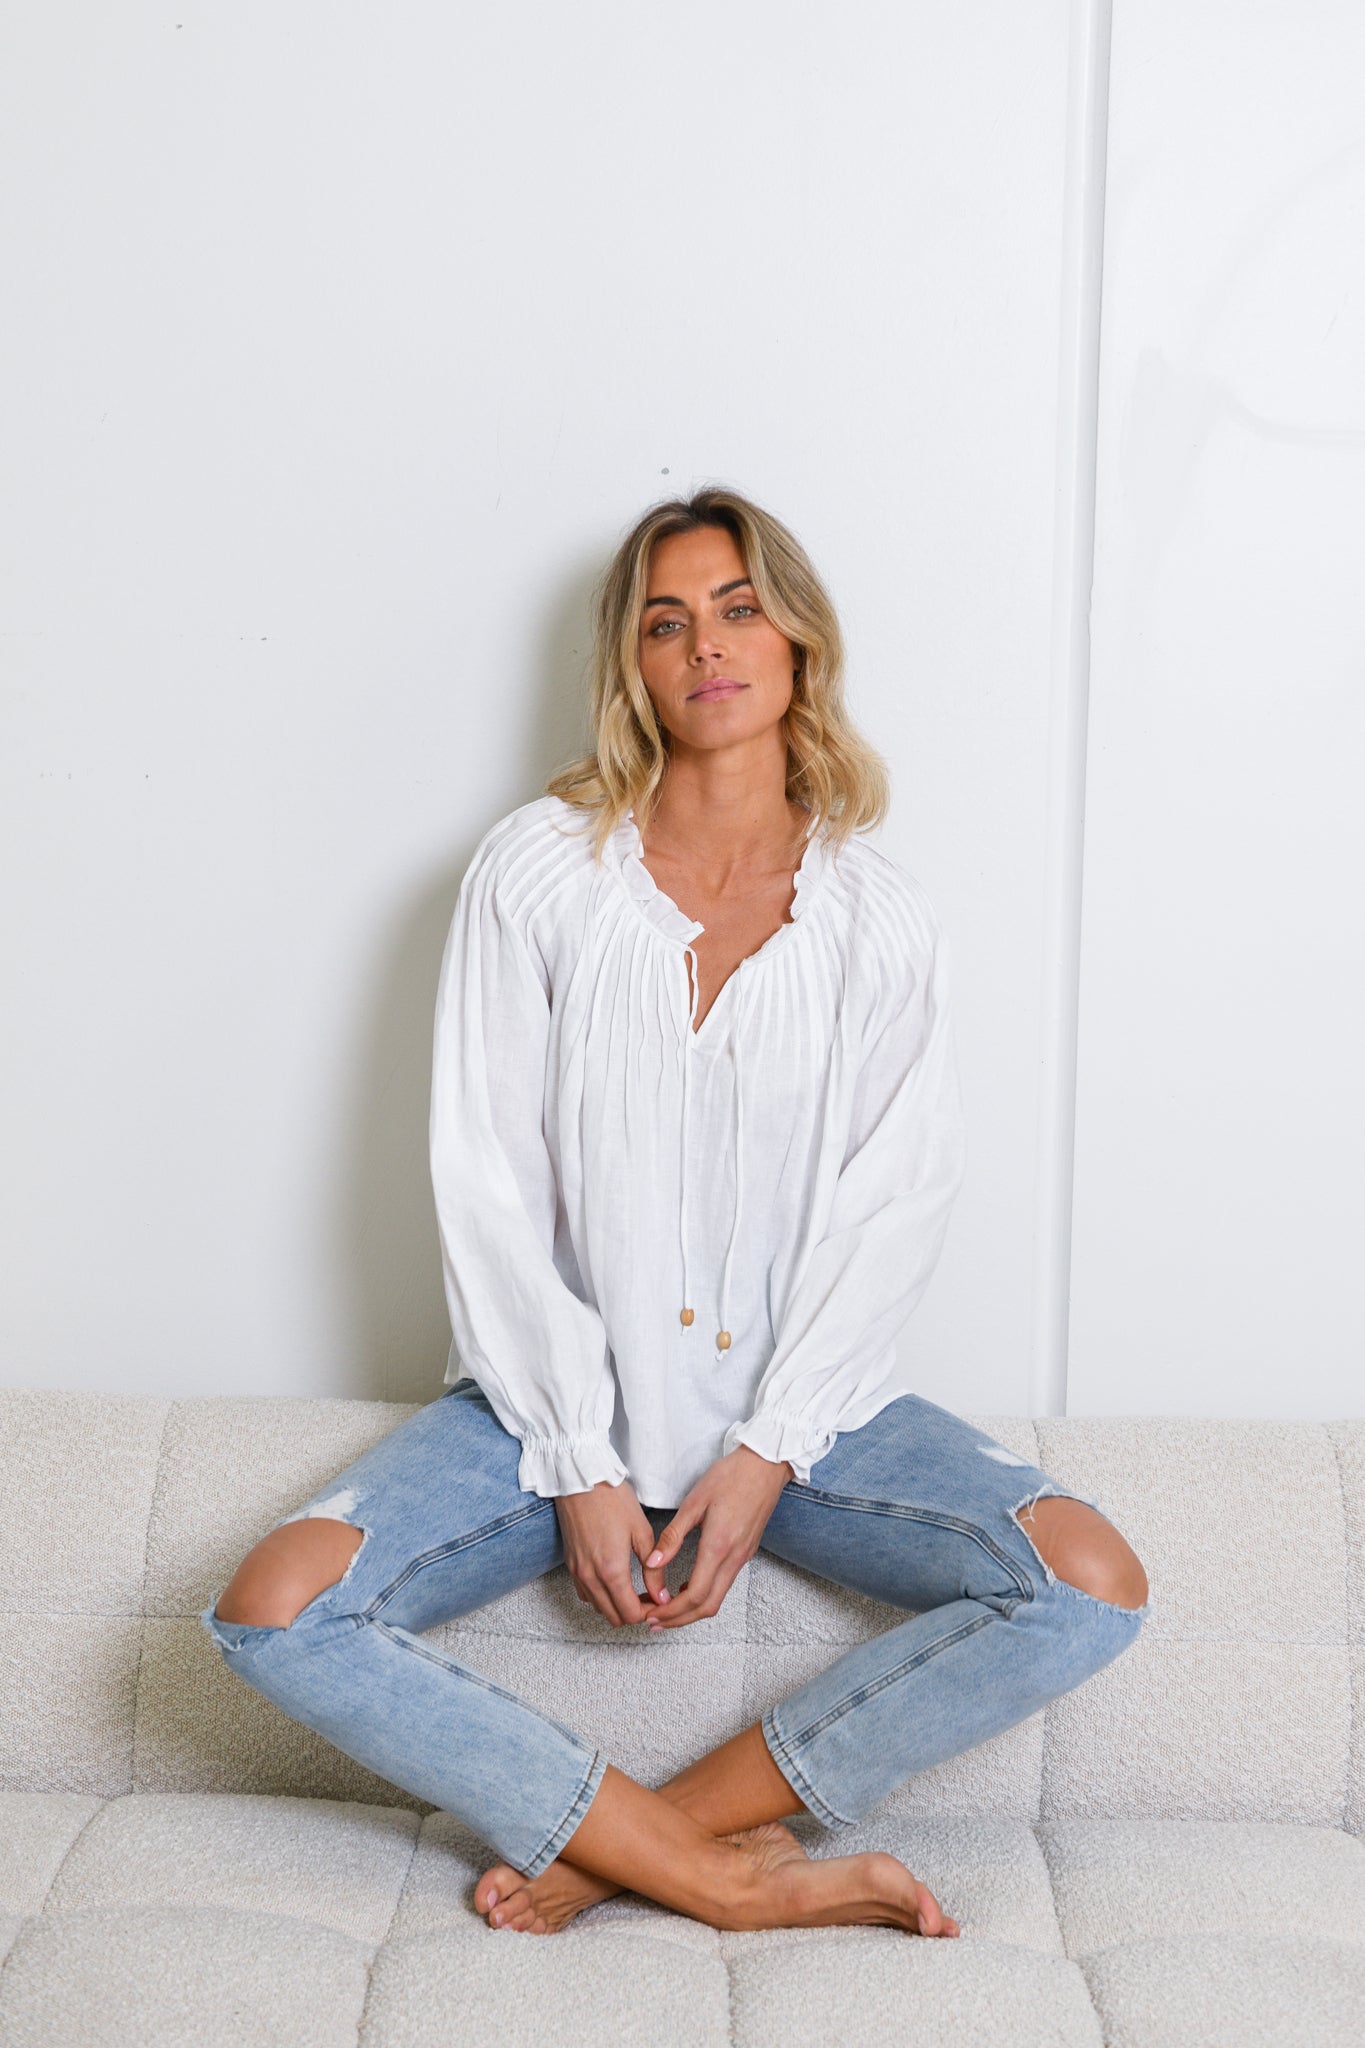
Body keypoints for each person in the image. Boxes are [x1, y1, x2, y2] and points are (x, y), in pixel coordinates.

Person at [201, 486, 1149, 1939]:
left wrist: (768, 1453)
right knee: (272, 1606)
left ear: (796, 643)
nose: (705, 644)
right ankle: (715, 1879)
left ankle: (633, 1847)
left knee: (1087, 1583)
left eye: (737, 608)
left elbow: (896, 1206)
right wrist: (579, 1457)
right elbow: (488, 1181)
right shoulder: (537, 873)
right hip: (547, 1418)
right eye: (665, 621)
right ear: (631, 667)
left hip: (802, 1420)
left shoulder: (879, 920)